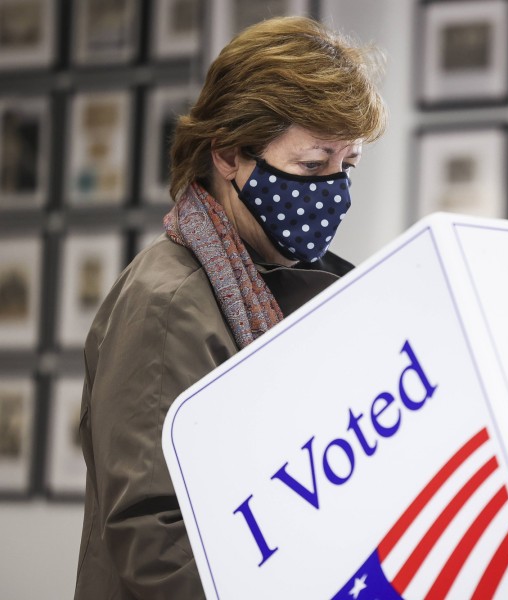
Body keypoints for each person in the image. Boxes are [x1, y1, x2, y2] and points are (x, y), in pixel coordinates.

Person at [73, 17, 386, 598]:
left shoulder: (310, 287)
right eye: (313, 165)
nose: (334, 190)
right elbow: (156, 540)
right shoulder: (167, 301)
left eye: (348, 166)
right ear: (227, 154)